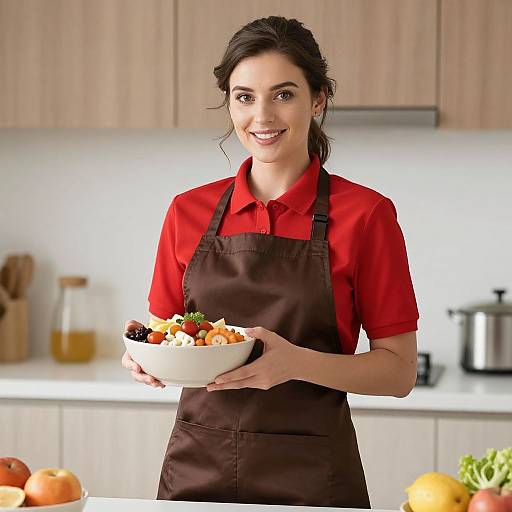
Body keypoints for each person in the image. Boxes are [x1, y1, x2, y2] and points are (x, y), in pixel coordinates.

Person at [121, 15, 419, 509]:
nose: (262, 116)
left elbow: (398, 372)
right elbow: (169, 332)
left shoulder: (366, 215)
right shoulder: (187, 211)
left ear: (318, 98)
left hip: (313, 476)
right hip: (198, 467)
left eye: (283, 94)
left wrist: (294, 363)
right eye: (244, 97)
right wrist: (143, 356)